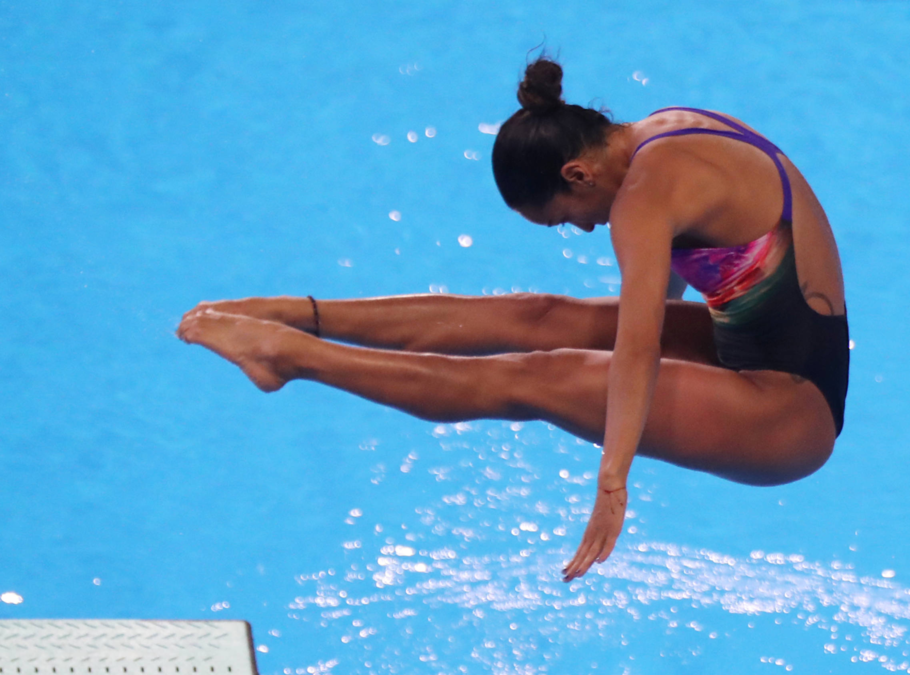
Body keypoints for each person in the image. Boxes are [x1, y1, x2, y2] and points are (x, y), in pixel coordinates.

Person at [176, 56, 849, 582]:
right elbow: (663, 294)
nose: (582, 229)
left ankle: (290, 356)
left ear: (578, 174)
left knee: (535, 377)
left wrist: (612, 480)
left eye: (564, 218)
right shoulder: (673, 126)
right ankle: (303, 314)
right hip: (760, 351)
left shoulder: (643, 194)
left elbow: (638, 347)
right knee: (539, 315)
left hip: (787, 416)